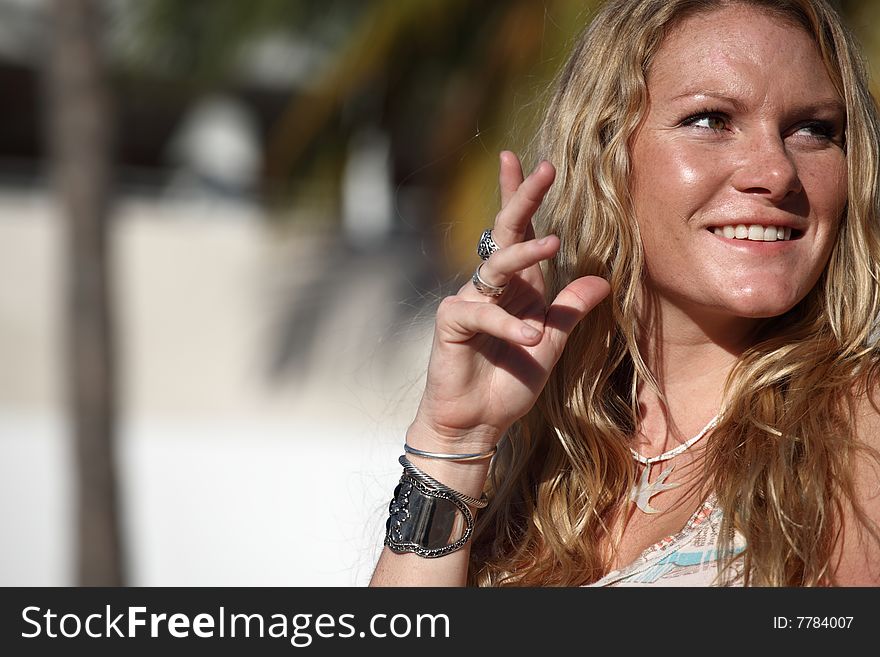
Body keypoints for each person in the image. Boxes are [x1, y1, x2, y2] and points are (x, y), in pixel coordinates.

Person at [370, 0, 880, 587]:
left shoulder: (852, 430)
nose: (778, 171)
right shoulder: (547, 462)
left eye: (814, 129)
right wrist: (453, 441)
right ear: (607, 155)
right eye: (711, 120)